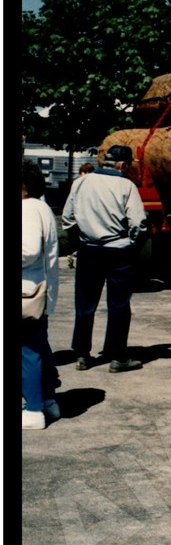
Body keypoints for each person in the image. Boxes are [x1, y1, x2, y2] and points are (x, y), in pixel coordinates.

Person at [62, 144, 148, 372]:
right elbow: (138, 223)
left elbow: (67, 218)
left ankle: (81, 355)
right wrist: (133, 245)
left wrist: (80, 239)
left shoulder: (81, 182)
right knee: (118, 305)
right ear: (123, 165)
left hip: (89, 248)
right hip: (119, 250)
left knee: (85, 304)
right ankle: (118, 357)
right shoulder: (126, 185)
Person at [22, 159, 61, 429]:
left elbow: (28, 250)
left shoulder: (25, 209)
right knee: (39, 349)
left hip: (25, 291)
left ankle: (33, 409)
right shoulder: (42, 207)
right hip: (39, 292)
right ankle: (48, 402)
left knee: (27, 352)